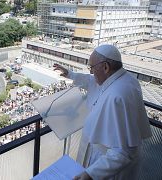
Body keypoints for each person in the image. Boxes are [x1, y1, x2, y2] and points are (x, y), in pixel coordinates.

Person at [53, 44, 152, 180]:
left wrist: (90, 174)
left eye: (92, 68)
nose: (92, 72)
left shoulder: (118, 95)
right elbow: (91, 81)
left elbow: (124, 151)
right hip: (103, 155)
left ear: (105, 67)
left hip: (108, 163)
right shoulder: (122, 79)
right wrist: (70, 74)